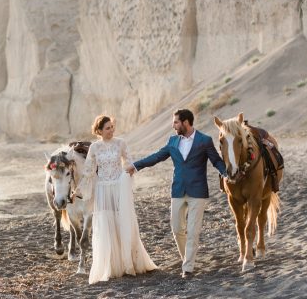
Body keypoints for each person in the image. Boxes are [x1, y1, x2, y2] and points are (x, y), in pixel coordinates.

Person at [127, 108, 226, 279]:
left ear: (186, 123)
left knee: (193, 231)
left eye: (176, 122)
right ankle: (187, 258)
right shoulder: (172, 141)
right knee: (176, 228)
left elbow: (216, 160)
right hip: (178, 190)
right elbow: (157, 156)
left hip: (198, 191)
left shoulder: (204, 140)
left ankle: (187, 268)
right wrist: (136, 166)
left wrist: (226, 173)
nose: (173, 125)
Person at [81, 114, 157, 284]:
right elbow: (88, 170)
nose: (111, 131)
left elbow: (128, 162)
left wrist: (126, 176)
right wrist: (78, 191)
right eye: (107, 128)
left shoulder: (121, 143)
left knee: (121, 221)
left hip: (118, 187)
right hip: (102, 189)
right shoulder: (94, 147)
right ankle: (111, 265)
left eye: (112, 127)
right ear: (99, 131)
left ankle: (127, 263)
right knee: (106, 224)